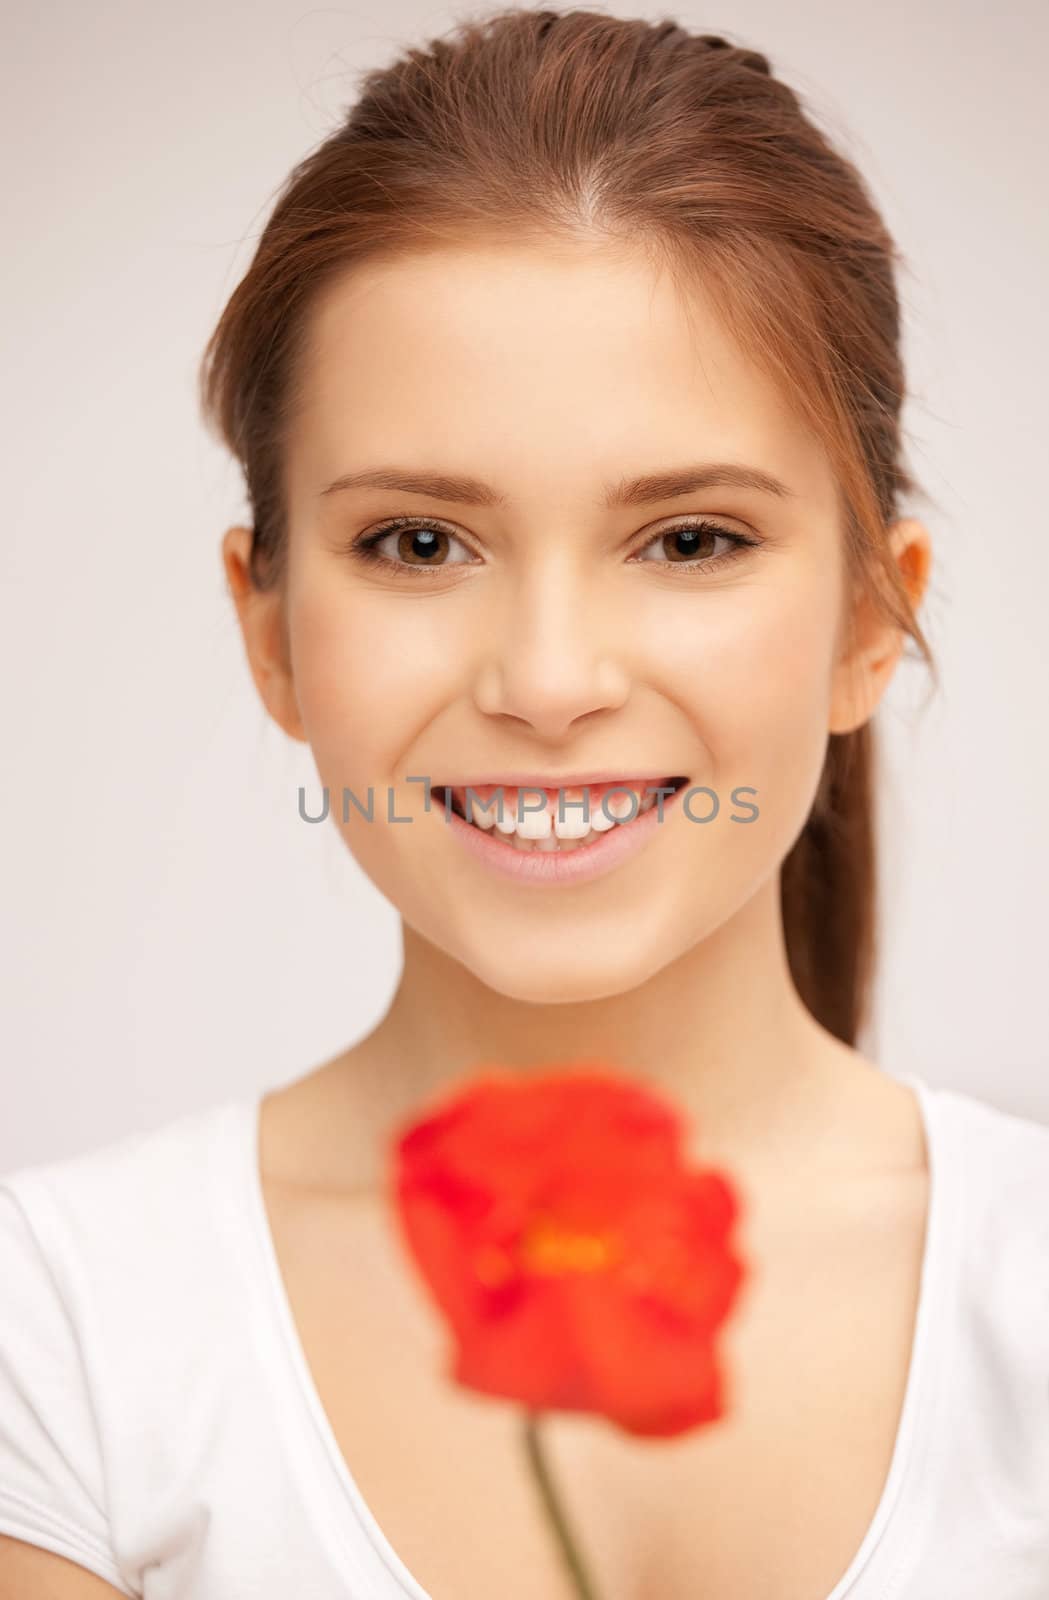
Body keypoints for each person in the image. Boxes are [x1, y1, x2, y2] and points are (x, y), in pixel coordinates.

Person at [2, 8, 1047, 1598]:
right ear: (268, 628)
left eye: (688, 539)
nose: (547, 682)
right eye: (419, 543)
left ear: (864, 620)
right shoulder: (64, 1330)